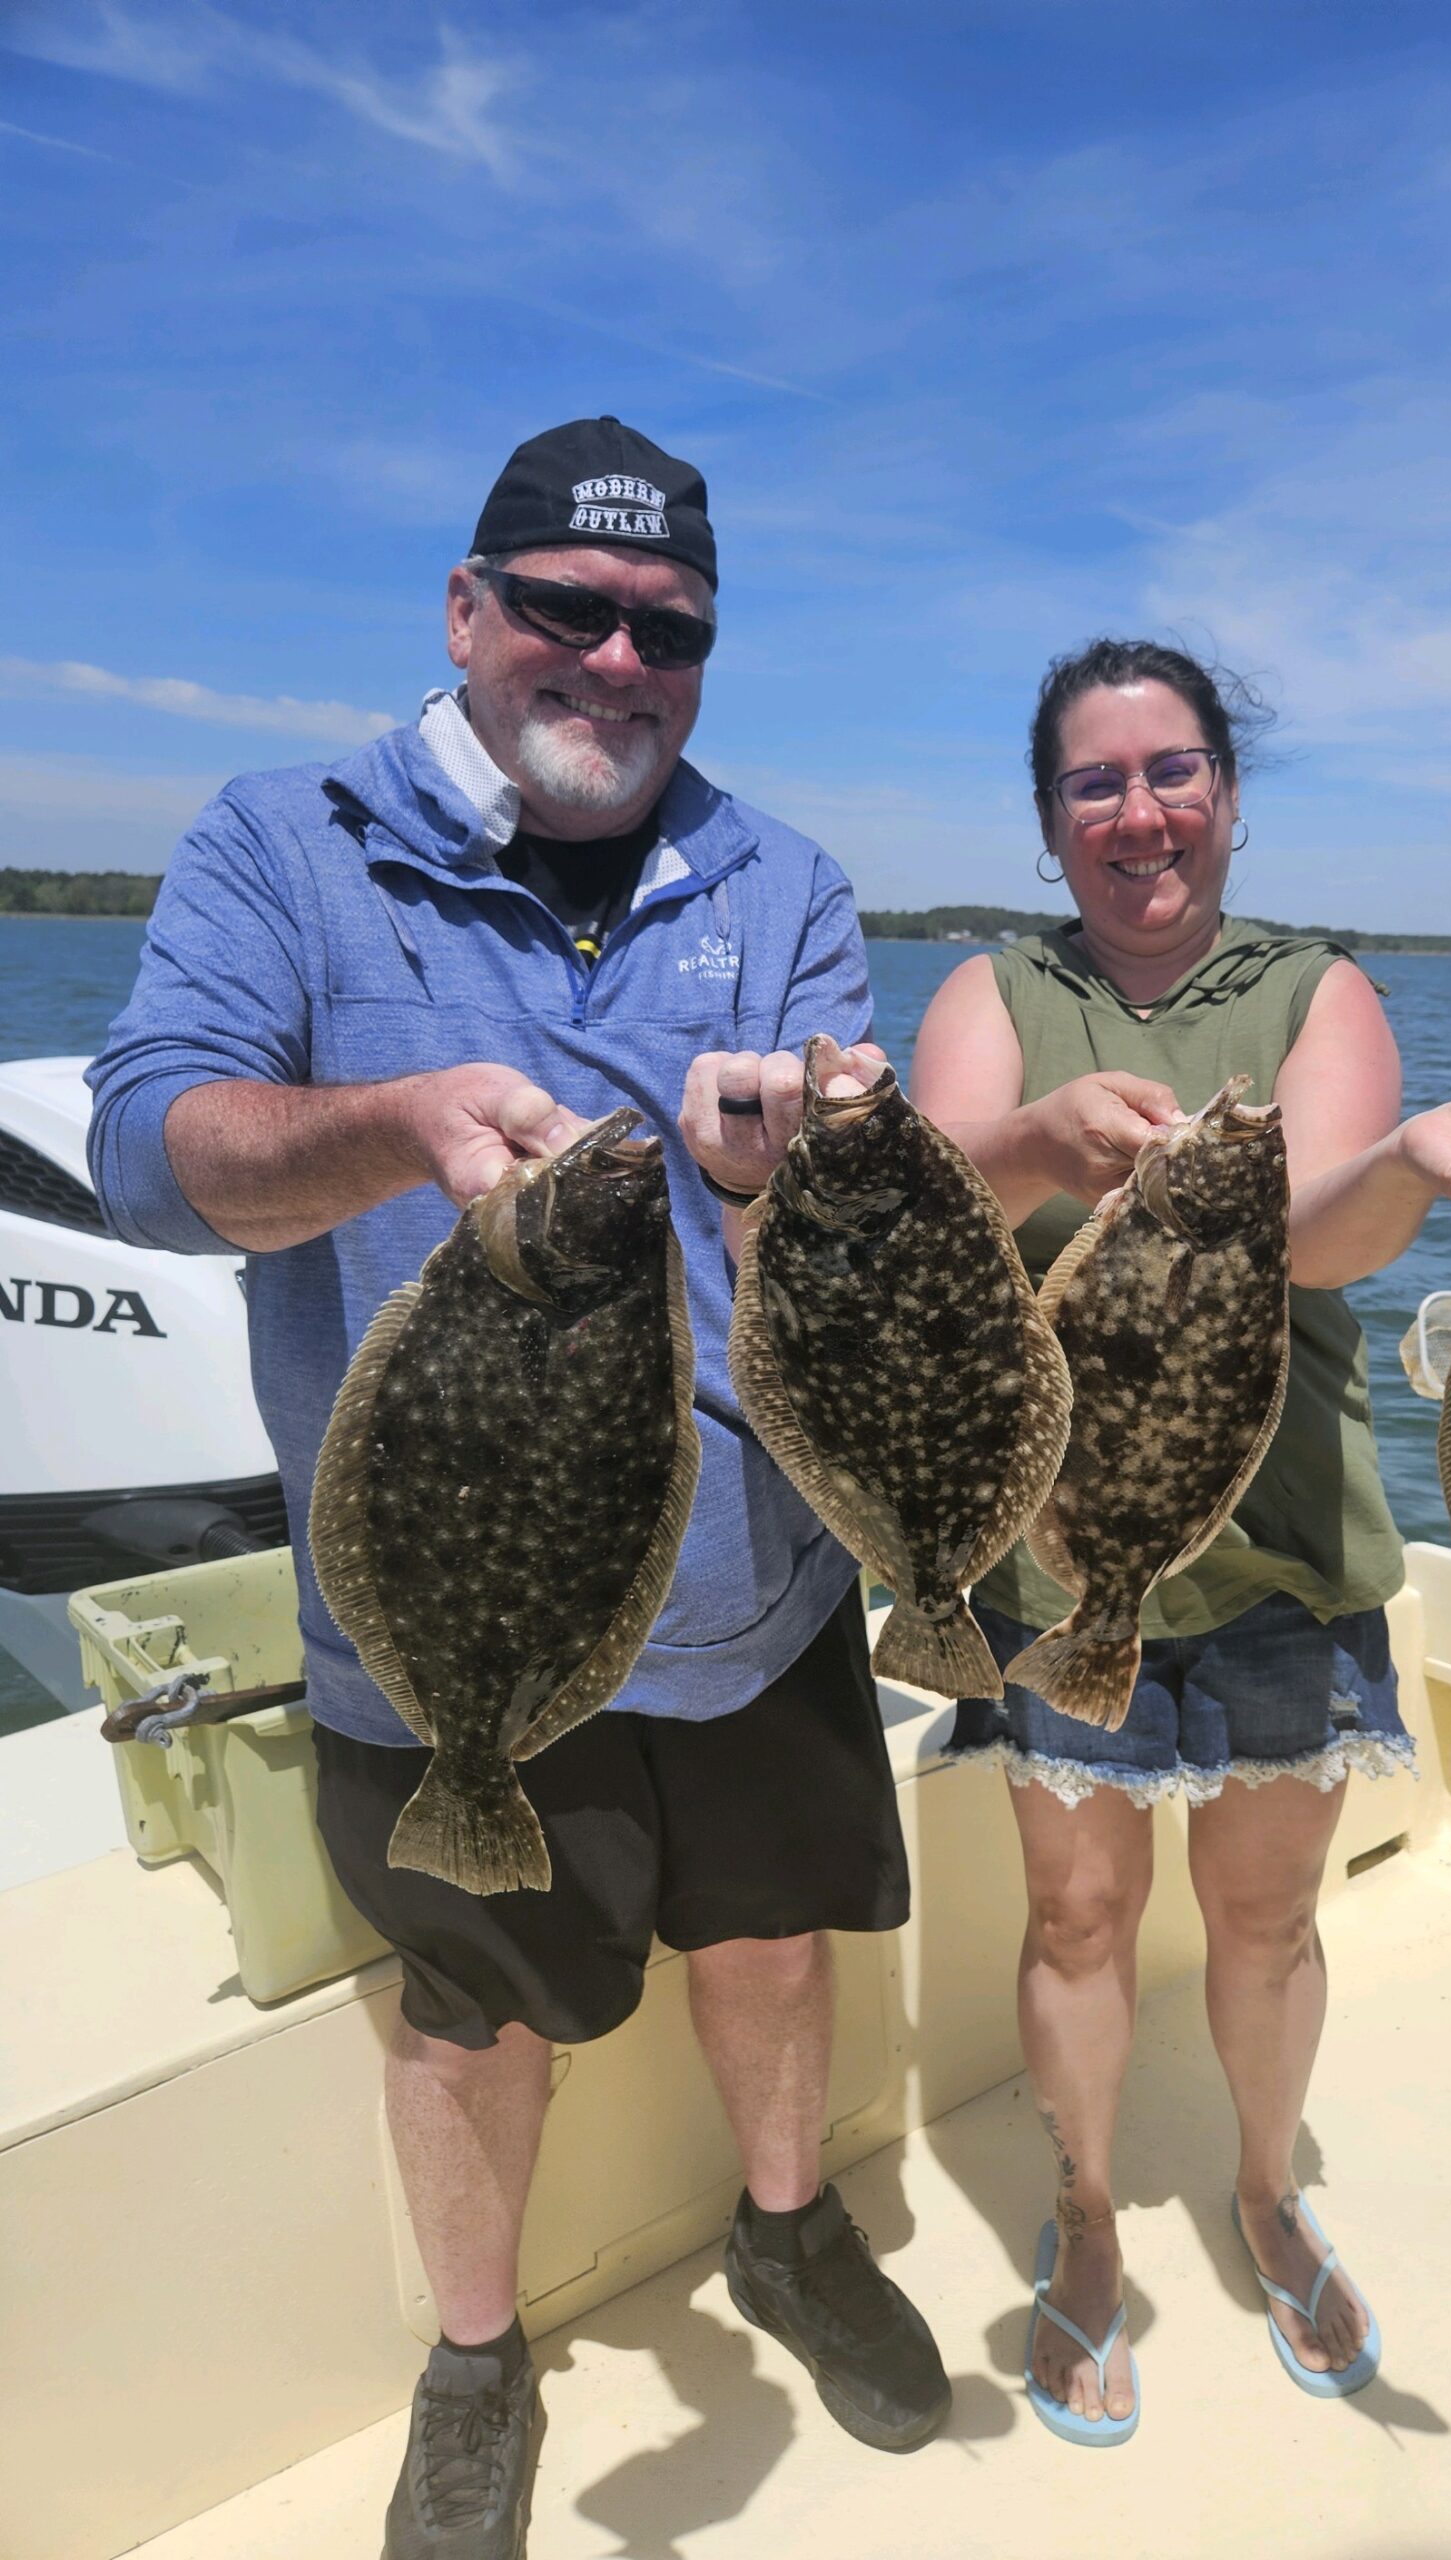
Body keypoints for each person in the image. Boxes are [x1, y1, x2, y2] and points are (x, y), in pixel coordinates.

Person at [86, 417, 950, 2559]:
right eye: (569, 606)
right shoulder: (286, 841)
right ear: (469, 612)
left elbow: (843, 1240)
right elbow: (145, 1145)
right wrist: (386, 1126)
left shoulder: (786, 883)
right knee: (469, 2009)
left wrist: (789, 1164)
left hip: (748, 1584)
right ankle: (476, 2358)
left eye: (670, 626)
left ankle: (784, 2223)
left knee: (771, 1936)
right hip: (438, 1607)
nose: (618, 654)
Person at [911, 636, 1451, 2442]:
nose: (1140, 812)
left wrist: (1424, 1162)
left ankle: (1270, 2191)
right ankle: (1083, 2213)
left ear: (1228, 792)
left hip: (1275, 1528)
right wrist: (1038, 1140)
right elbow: (916, 1217)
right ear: (1048, 821)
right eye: (1096, 782)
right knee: (1076, 1913)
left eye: (1173, 770)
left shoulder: (1317, 990)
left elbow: (1329, 1241)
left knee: (1268, 1918)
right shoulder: (995, 990)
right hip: (1059, 1549)